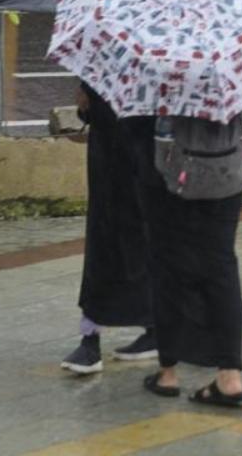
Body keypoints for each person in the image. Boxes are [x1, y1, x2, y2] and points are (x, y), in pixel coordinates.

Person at [142, 85, 242, 407]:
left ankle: (168, 371)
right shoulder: (236, 50)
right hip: (227, 169)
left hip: (172, 170)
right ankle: (229, 374)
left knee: (168, 265)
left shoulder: (162, 50)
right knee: (221, 267)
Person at [60, 82, 157, 374]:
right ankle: (152, 326)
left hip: (132, 161)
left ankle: (92, 340)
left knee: (115, 245)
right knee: (130, 242)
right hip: (124, 160)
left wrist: (88, 101)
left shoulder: (119, 54)